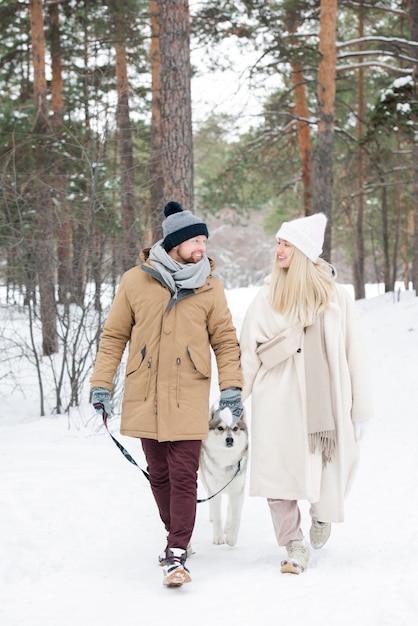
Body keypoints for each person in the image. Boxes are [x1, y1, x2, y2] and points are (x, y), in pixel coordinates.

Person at [90, 200, 243, 587]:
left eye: (203, 242)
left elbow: (225, 340)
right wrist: (101, 384)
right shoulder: (134, 281)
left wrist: (231, 389)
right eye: (194, 241)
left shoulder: (210, 285)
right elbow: (113, 337)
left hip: (189, 392)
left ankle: (176, 549)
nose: (201, 249)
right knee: (158, 473)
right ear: (174, 243)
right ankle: (177, 533)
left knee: (183, 473)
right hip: (146, 392)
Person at [239, 212, 373, 575]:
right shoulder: (268, 296)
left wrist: (360, 408)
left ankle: (322, 516)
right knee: (278, 474)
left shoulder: (335, 298)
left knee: (331, 470)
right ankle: (293, 543)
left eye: (286, 244)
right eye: (278, 243)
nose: (278, 249)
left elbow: (353, 352)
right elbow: (248, 354)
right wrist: (235, 398)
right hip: (278, 401)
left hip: (326, 403)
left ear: (303, 252)